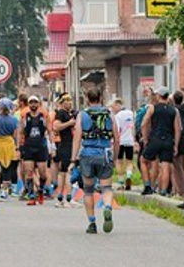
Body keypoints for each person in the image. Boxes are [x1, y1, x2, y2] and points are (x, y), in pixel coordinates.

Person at [71, 87, 118, 235]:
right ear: (101, 98)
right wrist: (115, 157)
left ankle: (92, 222)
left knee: (88, 190)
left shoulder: (82, 115)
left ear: (87, 99)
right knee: (107, 188)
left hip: (87, 155)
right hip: (104, 154)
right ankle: (108, 207)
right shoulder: (109, 114)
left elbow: (77, 138)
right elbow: (116, 137)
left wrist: (74, 159)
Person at [18, 96, 49, 205]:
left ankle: (40, 190)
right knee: (29, 172)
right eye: (31, 102)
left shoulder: (43, 117)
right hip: (29, 146)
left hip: (40, 146)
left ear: (39, 104)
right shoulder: (25, 117)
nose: (33, 105)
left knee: (43, 174)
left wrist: (52, 145)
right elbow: (20, 132)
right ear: (28, 104)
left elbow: (49, 130)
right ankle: (31, 195)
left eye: (35, 102)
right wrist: (18, 147)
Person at [51, 93, 77, 207]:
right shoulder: (61, 113)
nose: (69, 103)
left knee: (64, 172)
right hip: (66, 145)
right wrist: (70, 123)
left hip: (69, 144)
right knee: (66, 172)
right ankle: (66, 198)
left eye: (70, 100)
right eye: (67, 101)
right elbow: (56, 127)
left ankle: (62, 198)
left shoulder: (68, 113)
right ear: (62, 103)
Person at [113, 97, 136, 190]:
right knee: (129, 161)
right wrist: (134, 139)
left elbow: (116, 129)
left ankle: (121, 182)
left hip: (120, 141)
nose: (113, 109)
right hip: (129, 140)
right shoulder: (130, 113)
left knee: (118, 161)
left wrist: (115, 141)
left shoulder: (117, 116)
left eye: (113, 107)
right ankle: (129, 176)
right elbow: (132, 127)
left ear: (118, 105)